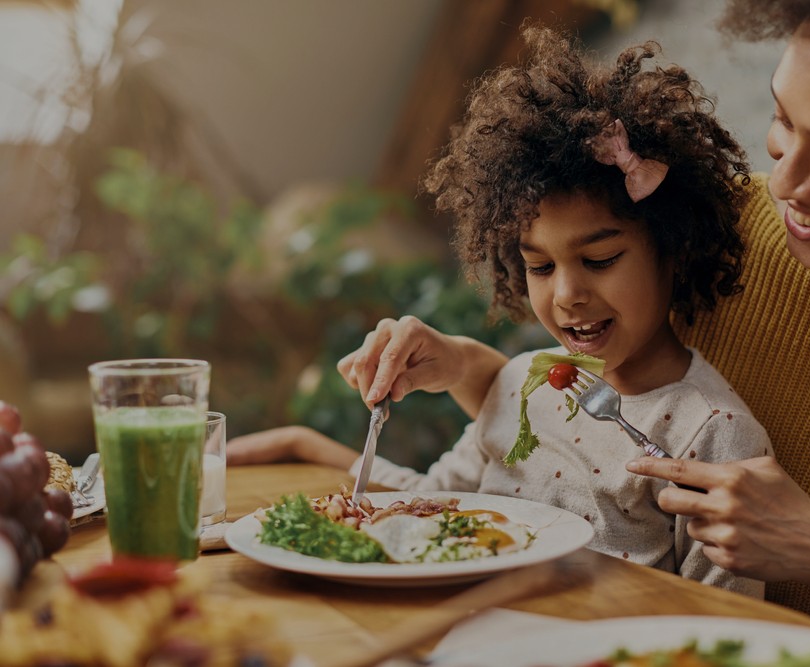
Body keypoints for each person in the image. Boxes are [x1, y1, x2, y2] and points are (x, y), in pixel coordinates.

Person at [257, 1, 810, 665]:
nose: (784, 183)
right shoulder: (711, 224)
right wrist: (463, 368)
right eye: (782, 123)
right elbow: (582, 415)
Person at [229, 25, 773, 596]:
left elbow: (733, 624)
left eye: (601, 258)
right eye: (540, 267)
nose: (566, 295)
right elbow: (431, 507)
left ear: (674, 248)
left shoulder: (713, 435)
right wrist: (310, 451)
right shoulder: (524, 386)